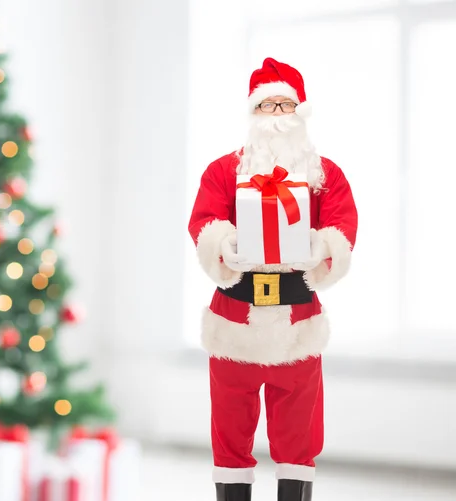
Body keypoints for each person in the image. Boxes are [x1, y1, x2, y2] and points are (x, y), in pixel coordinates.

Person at [187, 57, 358, 501]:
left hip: (296, 319)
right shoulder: (223, 171)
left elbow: (341, 227)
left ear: (300, 112)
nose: (278, 116)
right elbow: (204, 222)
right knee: (228, 432)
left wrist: (321, 248)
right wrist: (224, 244)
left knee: (298, 435)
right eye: (268, 107)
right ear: (253, 113)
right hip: (235, 321)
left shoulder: (325, 176)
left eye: (285, 106)